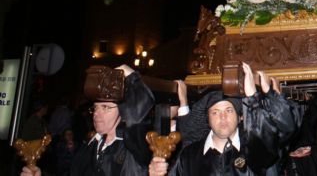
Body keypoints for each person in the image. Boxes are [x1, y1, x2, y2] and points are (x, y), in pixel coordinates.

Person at [148, 62, 298, 175]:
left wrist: (256, 97)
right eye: (215, 112)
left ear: (240, 117)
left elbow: (285, 129)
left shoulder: (256, 148)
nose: (223, 117)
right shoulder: (190, 156)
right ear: (208, 119)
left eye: (228, 110)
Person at [21, 64, 154, 176]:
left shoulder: (133, 146)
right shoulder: (90, 144)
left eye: (106, 107)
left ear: (122, 111)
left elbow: (141, 108)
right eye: (95, 108)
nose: (96, 113)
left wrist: (131, 76)